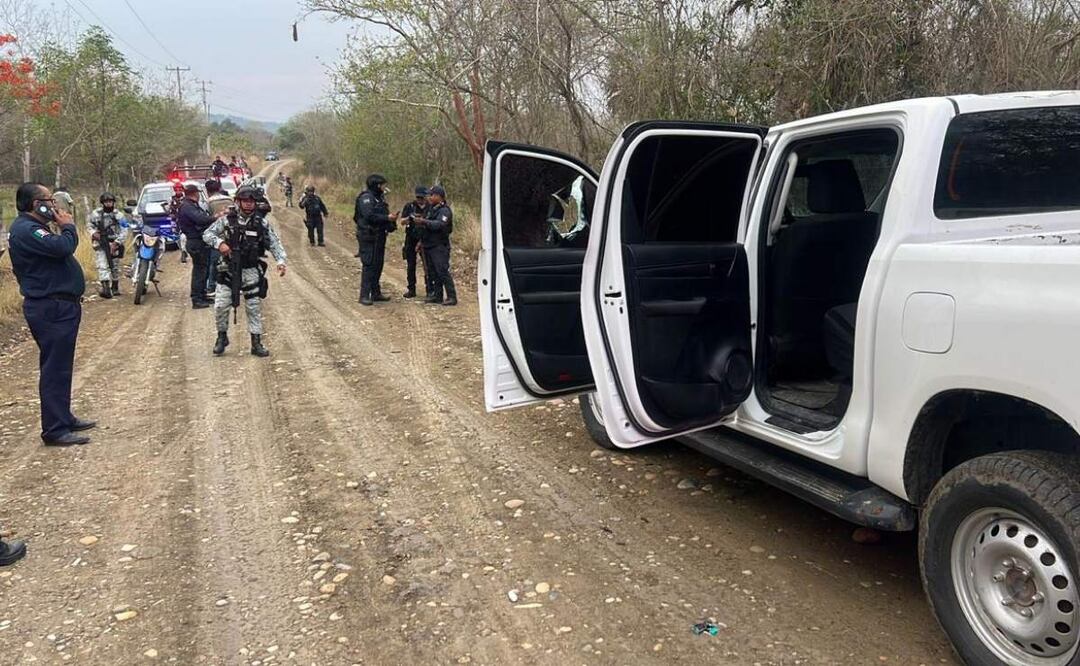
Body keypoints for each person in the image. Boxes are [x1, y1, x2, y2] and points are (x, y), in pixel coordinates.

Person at [7, 182, 97, 448]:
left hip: (59, 306)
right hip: (50, 307)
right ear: (36, 204)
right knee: (55, 368)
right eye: (49, 200)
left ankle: (63, 417)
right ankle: (55, 430)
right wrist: (68, 225)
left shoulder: (34, 228)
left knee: (61, 366)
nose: (55, 205)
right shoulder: (27, 230)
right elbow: (62, 247)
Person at [204, 185, 287, 357]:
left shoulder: (261, 223)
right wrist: (220, 244)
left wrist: (280, 261)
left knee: (253, 308)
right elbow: (207, 234)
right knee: (220, 306)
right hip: (228, 269)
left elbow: (274, 243)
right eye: (245, 201)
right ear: (238, 202)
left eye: (251, 201)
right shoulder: (227, 220)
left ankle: (256, 343)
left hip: (250, 270)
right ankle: (221, 337)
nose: (248, 204)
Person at [177, 183, 224, 309]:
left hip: (199, 241)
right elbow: (201, 219)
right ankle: (197, 299)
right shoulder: (187, 207)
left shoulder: (191, 205)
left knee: (204, 269)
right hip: (195, 241)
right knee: (199, 271)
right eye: (197, 193)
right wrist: (216, 217)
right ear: (195, 194)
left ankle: (202, 295)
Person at [354, 174, 398, 305]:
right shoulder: (366, 198)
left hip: (379, 236)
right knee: (369, 265)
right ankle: (364, 295)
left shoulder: (379, 198)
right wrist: (387, 218)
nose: (385, 188)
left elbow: (382, 214)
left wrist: (391, 223)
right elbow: (369, 216)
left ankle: (376, 293)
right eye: (383, 185)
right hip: (368, 236)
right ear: (377, 185)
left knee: (378, 265)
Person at [416, 185, 457, 306]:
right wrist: (420, 242)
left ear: (439, 196)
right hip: (428, 244)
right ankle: (437, 295)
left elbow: (439, 225)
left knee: (442, 271)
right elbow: (427, 226)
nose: (429, 197)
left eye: (432, 195)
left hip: (439, 246)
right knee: (433, 272)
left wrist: (424, 221)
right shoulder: (432, 209)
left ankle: (451, 296)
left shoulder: (444, 210)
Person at [87, 192, 128, 299]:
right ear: (102, 203)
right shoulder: (96, 214)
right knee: (102, 265)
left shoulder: (119, 215)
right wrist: (94, 233)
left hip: (115, 242)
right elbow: (90, 225)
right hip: (101, 242)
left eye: (110, 201)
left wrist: (117, 242)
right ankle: (105, 288)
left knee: (114, 266)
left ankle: (115, 286)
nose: (108, 204)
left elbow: (125, 229)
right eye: (106, 202)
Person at [400, 186, 428, 299]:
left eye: (422, 197)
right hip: (411, 238)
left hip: (425, 238)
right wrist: (409, 219)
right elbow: (402, 221)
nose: (420, 199)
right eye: (418, 197)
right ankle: (411, 289)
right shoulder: (409, 206)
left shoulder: (430, 207)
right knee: (411, 265)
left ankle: (429, 289)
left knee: (427, 265)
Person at [205, 180, 232, 294]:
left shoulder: (208, 202)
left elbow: (206, 219)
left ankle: (212, 287)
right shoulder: (229, 199)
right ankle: (233, 284)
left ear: (207, 190)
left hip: (216, 237)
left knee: (214, 263)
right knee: (232, 261)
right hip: (231, 235)